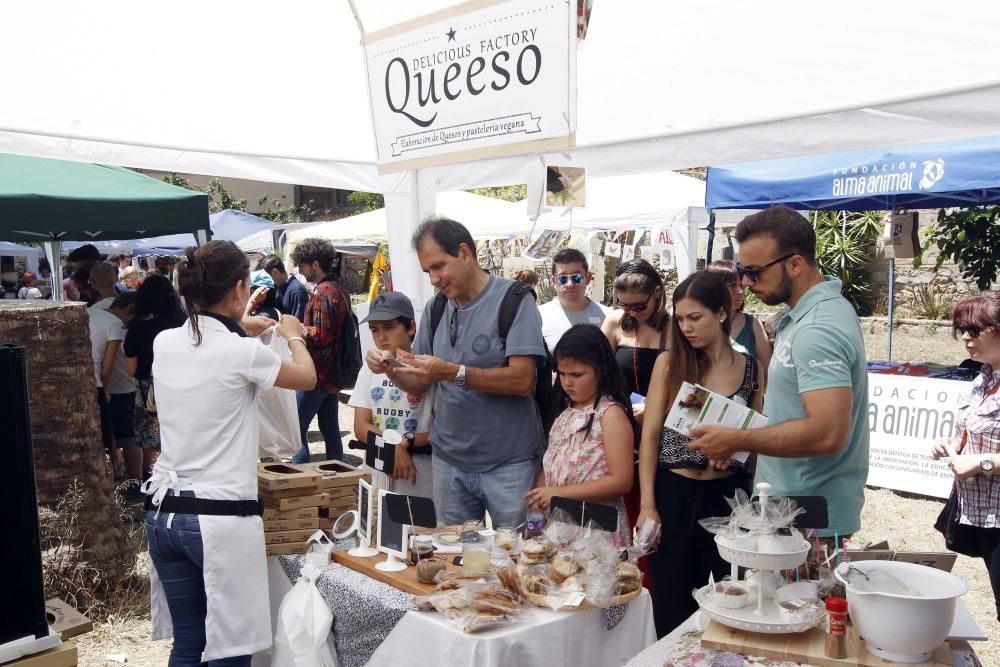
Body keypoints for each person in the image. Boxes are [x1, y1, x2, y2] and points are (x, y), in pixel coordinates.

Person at [142, 240, 316, 665]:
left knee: (188, 644)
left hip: (164, 512)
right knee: (230, 652)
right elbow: (307, 377)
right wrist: (293, 337)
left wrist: (247, 326)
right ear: (240, 289)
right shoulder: (242, 354)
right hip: (217, 520)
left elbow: (210, 342)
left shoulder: (165, 342)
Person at [688, 206, 869, 543]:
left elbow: (827, 433)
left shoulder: (818, 328)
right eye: (743, 270)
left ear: (795, 264)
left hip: (808, 514)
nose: (744, 282)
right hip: (793, 504)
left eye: (754, 272)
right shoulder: (804, 315)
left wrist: (737, 439)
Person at [366, 217, 546, 528]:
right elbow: (420, 380)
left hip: (509, 463)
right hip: (448, 462)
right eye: (427, 272)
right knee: (454, 563)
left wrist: (453, 373)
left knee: (514, 560)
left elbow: (522, 380)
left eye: (438, 266)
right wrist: (390, 368)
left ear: (464, 252)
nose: (434, 279)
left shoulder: (515, 300)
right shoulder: (437, 308)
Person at [637, 271, 764, 636]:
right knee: (672, 604)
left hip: (728, 498)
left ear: (721, 313)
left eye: (695, 317)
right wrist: (648, 505)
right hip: (674, 492)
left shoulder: (751, 369)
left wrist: (738, 446)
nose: (686, 327)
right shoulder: (670, 363)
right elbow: (650, 439)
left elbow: (757, 436)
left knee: (730, 601)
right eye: (680, 318)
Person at [525, 324, 636, 545]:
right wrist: (537, 505)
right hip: (558, 524)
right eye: (562, 373)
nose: (567, 382)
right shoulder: (564, 412)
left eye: (577, 375)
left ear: (601, 370)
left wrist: (559, 493)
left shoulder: (610, 414)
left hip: (596, 531)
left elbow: (622, 480)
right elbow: (549, 466)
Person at [931, 292, 1000, 621]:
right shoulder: (984, 377)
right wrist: (951, 445)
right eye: (962, 330)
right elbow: (973, 431)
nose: (966, 338)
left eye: (975, 329)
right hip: (984, 516)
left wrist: (981, 463)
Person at [349, 291, 433, 499]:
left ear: (411, 327)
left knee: (419, 526)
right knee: (378, 523)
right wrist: (392, 447)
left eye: (389, 327)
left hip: (420, 469)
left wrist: (406, 443)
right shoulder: (369, 370)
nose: (381, 337)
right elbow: (361, 427)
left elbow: (441, 430)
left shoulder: (427, 367)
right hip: (379, 461)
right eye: (374, 330)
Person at [289, 238, 351, 463]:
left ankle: (301, 478)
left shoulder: (324, 291)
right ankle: (337, 471)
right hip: (332, 372)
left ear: (315, 264)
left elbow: (323, 335)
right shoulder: (338, 287)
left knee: (296, 430)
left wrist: (297, 330)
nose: (301, 271)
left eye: (303, 266)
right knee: (330, 427)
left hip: (318, 374)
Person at [124, 275, 187, 480]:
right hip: (181, 386)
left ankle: (151, 481)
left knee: (149, 440)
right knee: (179, 435)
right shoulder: (184, 322)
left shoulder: (136, 327)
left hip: (147, 389)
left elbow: (130, 370)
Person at [90, 262, 141, 481]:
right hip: (128, 382)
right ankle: (135, 481)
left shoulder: (89, 313)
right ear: (116, 279)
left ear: (92, 284)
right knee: (131, 436)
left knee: (109, 434)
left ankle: (119, 475)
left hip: (103, 383)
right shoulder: (132, 307)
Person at [601, 259, 670, 419]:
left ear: (657, 292)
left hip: (666, 420)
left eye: (639, 306)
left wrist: (652, 408)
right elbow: (600, 377)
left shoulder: (677, 327)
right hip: (622, 418)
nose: (632, 313)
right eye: (624, 306)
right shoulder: (614, 322)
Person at [707, 260, 772, 375]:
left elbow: (767, 374)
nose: (740, 291)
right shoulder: (699, 324)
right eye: (732, 285)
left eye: (741, 285)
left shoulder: (753, 325)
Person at [539, 248, 611, 350]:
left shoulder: (608, 316)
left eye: (577, 278)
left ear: (588, 278)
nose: (570, 284)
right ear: (553, 282)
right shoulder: (538, 316)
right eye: (562, 279)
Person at [258, 254, 308, 321]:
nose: (266, 281)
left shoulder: (296, 290)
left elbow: (299, 323)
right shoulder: (277, 288)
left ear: (275, 272)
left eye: (266, 277)